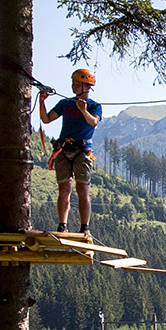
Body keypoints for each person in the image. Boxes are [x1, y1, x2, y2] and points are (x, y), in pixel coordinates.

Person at [39, 68, 103, 233]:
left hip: (82, 151)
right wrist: (42, 102)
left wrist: (83, 110)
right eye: (73, 83)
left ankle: (84, 227)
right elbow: (46, 120)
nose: (73, 87)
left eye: (76, 84)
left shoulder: (95, 106)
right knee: (64, 189)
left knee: (82, 189)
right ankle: (62, 225)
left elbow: (93, 122)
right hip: (64, 149)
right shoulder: (65, 103)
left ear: (87, 87)